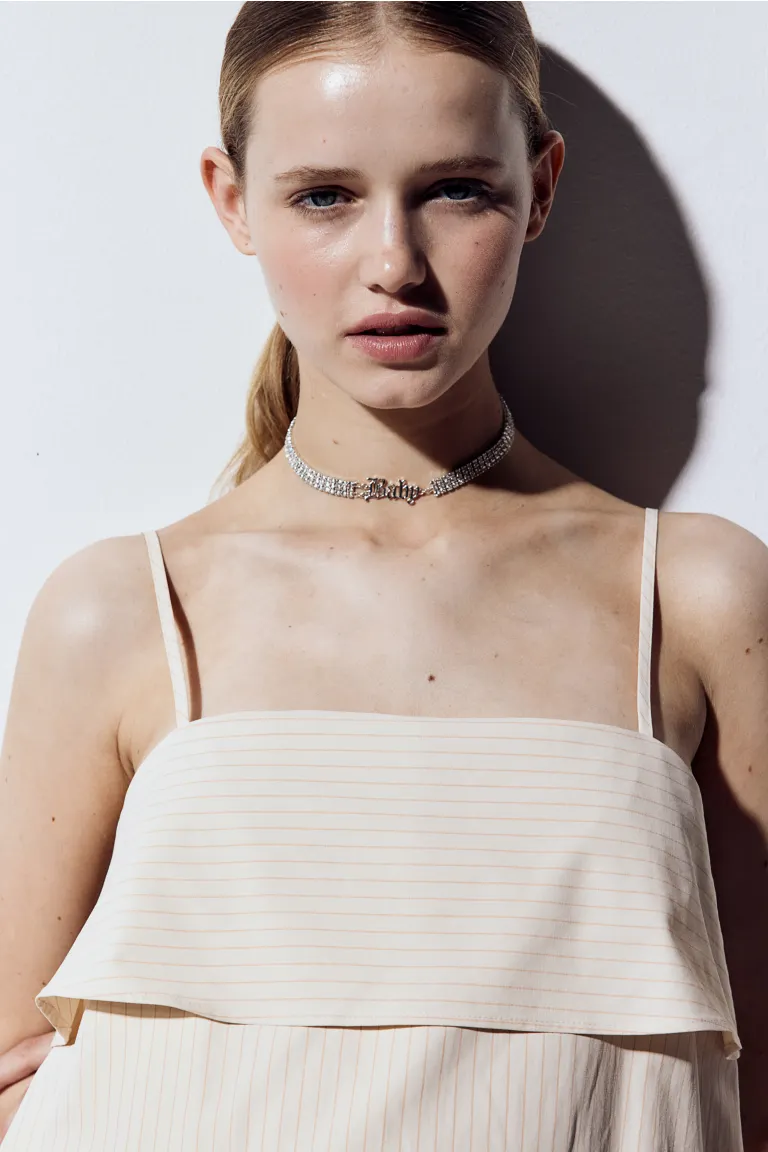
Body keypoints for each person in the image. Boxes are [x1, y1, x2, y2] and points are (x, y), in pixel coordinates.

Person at [1, 2, 766, 1148]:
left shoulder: (695, 594)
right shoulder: (119, 612)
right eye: (325, 196)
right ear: (230, 199)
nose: (395, 264)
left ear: (541, 188)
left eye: (456, 189)